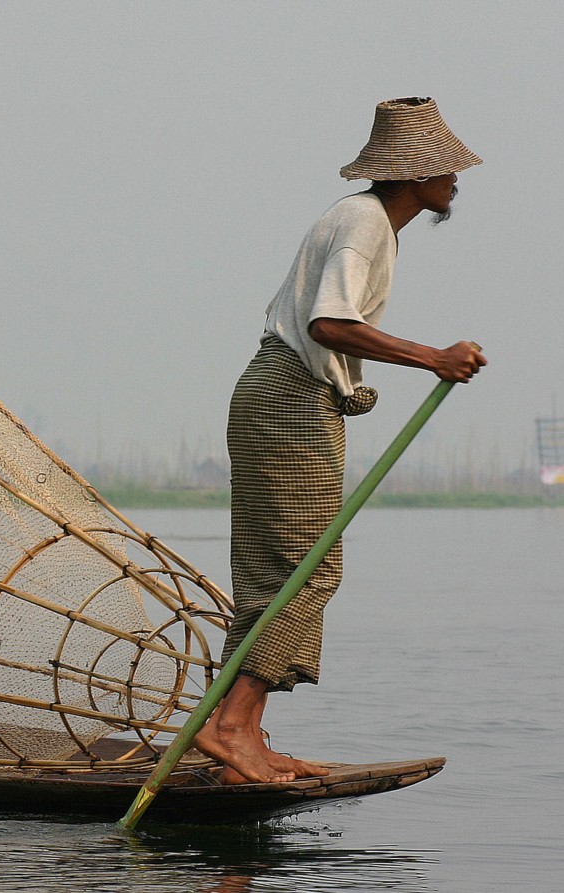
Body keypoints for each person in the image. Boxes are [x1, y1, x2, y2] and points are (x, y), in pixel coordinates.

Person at [194, 97, 487, 784]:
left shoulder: (370, 223)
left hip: (279, 392)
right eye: (446, 166)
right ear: (413, 174)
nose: (457, 178)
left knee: (277, 576)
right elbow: (329, 323)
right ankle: (230, 726)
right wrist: (433, 357)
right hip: (291, 393)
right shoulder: (364, 222)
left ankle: (245, 736)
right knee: (311, 567)